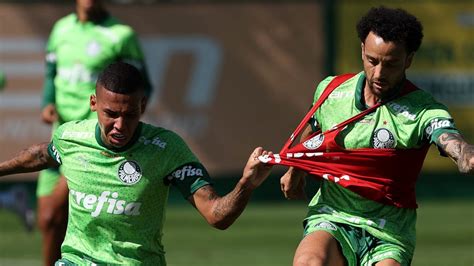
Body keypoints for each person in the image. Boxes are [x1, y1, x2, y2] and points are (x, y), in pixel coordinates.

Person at [259, 6, 474, 266]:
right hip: (333, 215)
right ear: (362, 50)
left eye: (391, 64)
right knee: (309, 263)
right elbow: (315, 126)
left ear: (409, 60)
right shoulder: (331, 90)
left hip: (389, 231)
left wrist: (466, 156)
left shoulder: (425, 110)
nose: (379, 73)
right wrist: (296, 170)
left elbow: (450, 140)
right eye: (372, 61)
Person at [0, 62, 272, 265]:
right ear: (94, 103)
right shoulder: (71, 137)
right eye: (111, 114)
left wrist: (246, 184)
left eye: (129, 115)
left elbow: (216, 215)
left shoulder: (167, 149)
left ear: (142, 106)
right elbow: (42, 154)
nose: (120, 125)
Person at [37, 0, 152, 264]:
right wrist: (47, 103)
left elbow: (145, 87)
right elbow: (51, 73)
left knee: (54, 212)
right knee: (48, 220)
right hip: (61, 136)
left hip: (91, 143)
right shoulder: (61, 29)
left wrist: (121, 125)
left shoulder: (121, 35)